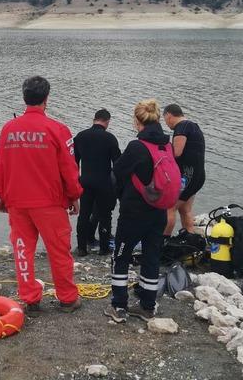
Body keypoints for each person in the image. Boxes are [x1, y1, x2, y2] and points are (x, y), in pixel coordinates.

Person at [0, 76, 83, 313]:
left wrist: (1, 196)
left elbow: (0, 166)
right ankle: (67, 298)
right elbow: (69, 169)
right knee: (59, 251)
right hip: (50, 203)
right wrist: (74, 196)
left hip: (17, 202)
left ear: (24, 98)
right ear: (46, 98)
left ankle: (30, 298)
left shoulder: (8, 129)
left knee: (23, 251)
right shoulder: (57, 129)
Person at [104, 99, 170, 323]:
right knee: (151, 257)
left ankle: (119, 305)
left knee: (121, 256)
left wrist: (120, 196)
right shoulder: (167, 146)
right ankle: (147, 306)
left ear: (136, 121)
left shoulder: (136, 147)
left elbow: (117, 174)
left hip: (134, 212)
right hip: (159, 211)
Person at [73, 109, 121, 256]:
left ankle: (82, 248)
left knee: (84, 214)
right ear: (107, 121)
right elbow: (118, 164)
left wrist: (76, 181)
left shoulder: (80, 136)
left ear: (94, 119)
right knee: (105, 215)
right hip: (104, 182)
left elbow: (74, 162)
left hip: (85, 181)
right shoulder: (110, 138)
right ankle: (104, 248)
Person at [162, 104, 206, 237]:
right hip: (198, 176)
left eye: (165, 119)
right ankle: (190, 238)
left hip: (187, 177)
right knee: (185, 210)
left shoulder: (181, 128)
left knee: (169, 208)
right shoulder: (194, 126)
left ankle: (163, 240)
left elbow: (176, 153)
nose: (166, 123)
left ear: (169, 115)